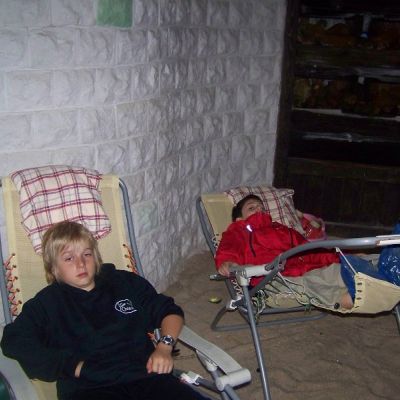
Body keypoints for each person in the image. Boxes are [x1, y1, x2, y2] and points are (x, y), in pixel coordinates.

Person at [1, 221, 210, 400]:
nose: (81, 264)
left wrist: (164, 347)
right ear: (54, 268)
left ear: (96, 257)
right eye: (69, 258)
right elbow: (14, 340)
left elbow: (169, 311)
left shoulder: (124, 282)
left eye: (87, 254)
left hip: (148, 377)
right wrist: (72, 366)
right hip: (89, 389)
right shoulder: (47, 303)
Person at [215, 194, 353, 310]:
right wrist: (227, 263)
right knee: (308, 284)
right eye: (251, 208)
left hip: (304, 270)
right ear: (239, 219)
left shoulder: (282, 230)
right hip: (270, 281)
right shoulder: (238, 231)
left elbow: (310, 251)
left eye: (261, 207)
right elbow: (228, 249)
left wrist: (342, 258)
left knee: (338, 270)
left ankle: (361, 277)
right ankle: (343, 298)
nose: (258, 209)